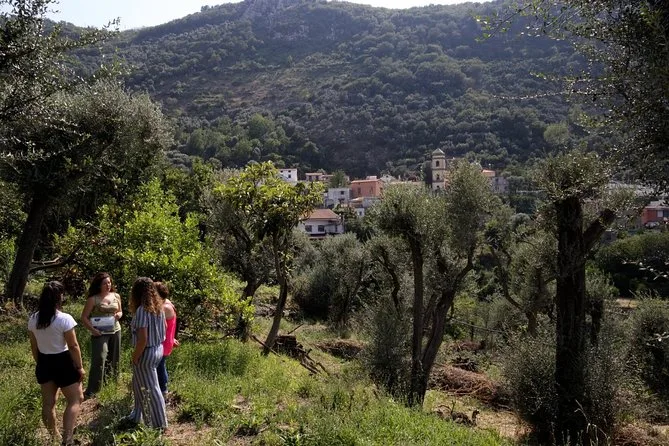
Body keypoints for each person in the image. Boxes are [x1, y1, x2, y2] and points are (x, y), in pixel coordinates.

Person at [28, 281, 85, 446]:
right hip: (63, 361)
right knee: (76, 399)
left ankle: (54, 437)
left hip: (44, 361)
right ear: (59, 297)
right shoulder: (64, 319)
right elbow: (73, 346)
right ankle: (67, 440)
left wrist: (40, 363)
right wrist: (80, 367)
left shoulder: (33, 319)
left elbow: (34, 346)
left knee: (48, 403)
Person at [125, 277, 167, 430]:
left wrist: (135, 356)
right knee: (138, 384)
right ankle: (136, 415)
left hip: (146, 352)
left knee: (152, 389)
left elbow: (143, 339)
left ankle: (159, 425)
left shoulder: (142, 310)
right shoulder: (159, 307)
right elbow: (165, 326)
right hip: (158, 348)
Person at [80, 272, 122, 399]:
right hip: (99, 333)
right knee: (99, 359)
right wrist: (93, 330)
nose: (108, 285)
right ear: (99, 285)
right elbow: (84, 317)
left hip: (115, 330)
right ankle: (93, 390)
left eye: (109, 282)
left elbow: (120, 311)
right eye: (105, 283)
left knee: (114, 358)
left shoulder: (116, 296)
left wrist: (118, 315)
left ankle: (111, 385)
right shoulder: (93, 299)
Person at [155, 282, 179, 399]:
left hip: (163, 342)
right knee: (160, 365)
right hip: (167, 340)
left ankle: (163, 391)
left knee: (160, 366)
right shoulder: (167, 303)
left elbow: (162, 326)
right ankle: (161, 390)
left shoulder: (164, 308)